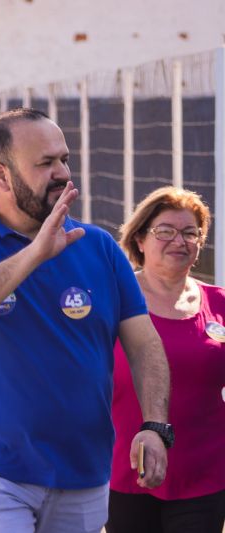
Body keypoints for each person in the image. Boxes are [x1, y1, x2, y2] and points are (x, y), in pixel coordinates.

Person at [0, 108, 172, 532]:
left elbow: (145, 345)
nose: (61, 173)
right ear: (2, 177)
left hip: (84, 469)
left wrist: (154, 426)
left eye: (64, 159)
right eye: (45, 163)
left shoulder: (98, 247)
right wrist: (35, 253)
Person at [107, 186, 225, 533]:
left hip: (204, 473)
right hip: (123, 470)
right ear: (140, 240)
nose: (180, 240)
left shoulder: (219, 304)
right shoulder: (111, 300)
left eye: (190, 233)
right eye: (165, 231)